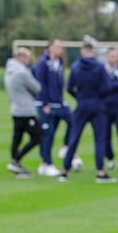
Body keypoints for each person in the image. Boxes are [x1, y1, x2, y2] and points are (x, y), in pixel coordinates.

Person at [58, 42, 113, 183]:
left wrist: (80, 97)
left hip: (81, 104)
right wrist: (98, 97)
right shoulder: (100, 67)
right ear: (93, 52)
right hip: (96, 105)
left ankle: (64, 170)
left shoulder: (76, 67)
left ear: (82, 52)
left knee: (74, 137)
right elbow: (107, 87)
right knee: (100, 138)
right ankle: (100, 172)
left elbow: (69, 87)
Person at [32, 39, 70, 177]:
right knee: (48, 134)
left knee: (73, 121)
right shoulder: (42, 63)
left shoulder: (60, 62)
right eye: (58, 46)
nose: (60, 49)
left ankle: (66, 147)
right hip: (46, 105)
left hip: (59, 103)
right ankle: (46, 163)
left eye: (62, 47)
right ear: (50, 48)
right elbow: (40, 84)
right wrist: (44, 103)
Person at [4, 47, 42, 178]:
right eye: (28, 57)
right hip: (26, 110)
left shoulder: (8, 70)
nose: (29, 60)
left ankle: (16, 167)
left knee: (17, 138)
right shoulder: (22, 72)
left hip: (15, 108)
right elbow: (37, 88)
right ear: (21, 57)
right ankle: (16, 161)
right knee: (38, 136)